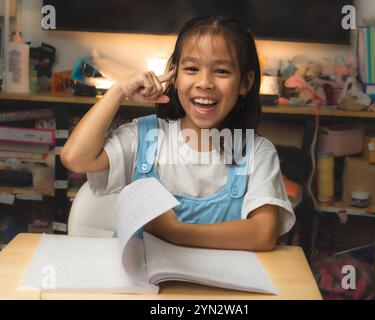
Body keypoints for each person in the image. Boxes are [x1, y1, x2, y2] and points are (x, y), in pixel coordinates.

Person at [61, 16, 295, 251]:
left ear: (245, 83)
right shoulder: (146, 136)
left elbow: (263, 233)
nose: (205, 83)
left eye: (221, 71)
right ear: (174, 75)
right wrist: (118, 91)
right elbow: (75, 158)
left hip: (214, 287)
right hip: (142, 284)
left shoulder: (257, 152)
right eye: (192, 69)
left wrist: (175, 232)